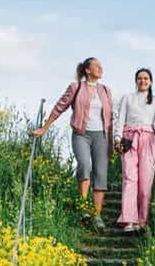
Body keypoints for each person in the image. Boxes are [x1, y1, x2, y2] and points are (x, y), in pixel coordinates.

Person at [33, 57, 114, 230]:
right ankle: (84, 208)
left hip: (101, 136)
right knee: (85, 165)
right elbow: (59, 107)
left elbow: (110, 117)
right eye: (96, 66)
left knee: (101, 173)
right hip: (81, 134)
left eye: (101, 66)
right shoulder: (76, 87)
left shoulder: (105, 90)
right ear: (87, 70)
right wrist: (44, 128)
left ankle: (97, 215)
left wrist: (115, 140)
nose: (100, 68)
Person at [113, 68, 155, 232]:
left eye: (146, 78)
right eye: (139, 78)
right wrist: (117, 137)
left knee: (145, 181)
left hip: (148, 139)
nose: (142, 81)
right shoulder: (127, 98)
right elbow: (120, 119)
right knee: (130, 178)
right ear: (136, 81)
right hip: (129, 138)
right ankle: (128, 219)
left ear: (150, 81)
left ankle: (142, 221)